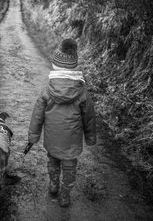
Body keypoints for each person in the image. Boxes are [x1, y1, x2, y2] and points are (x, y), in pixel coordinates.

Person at [27, 38, 96, 207]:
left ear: (56, 66)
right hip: (72, 140)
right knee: (70, 166)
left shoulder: (48, 89)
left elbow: (37, 115)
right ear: (74, 67)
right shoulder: (82, 91)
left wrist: (33, 136)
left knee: (53, 160)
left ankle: (53, 184)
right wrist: (90, 137)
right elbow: (89, 116)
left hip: (52, 138)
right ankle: (65, 195)